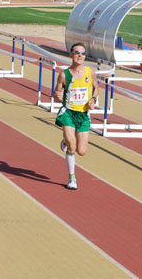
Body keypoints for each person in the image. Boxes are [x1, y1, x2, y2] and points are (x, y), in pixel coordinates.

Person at [53, 42, 98, 190]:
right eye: (77, 52)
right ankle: (72, 178)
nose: (80, 55)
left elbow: (96, 88)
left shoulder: (90, 72)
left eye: (83, 53)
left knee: (82, 151)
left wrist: (93, 99)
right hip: (68, 112)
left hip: (83, 114)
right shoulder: (64, 74)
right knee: (72, 147)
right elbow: (56, 93)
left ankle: (66, 141)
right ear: (71, 55)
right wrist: (57, 95)